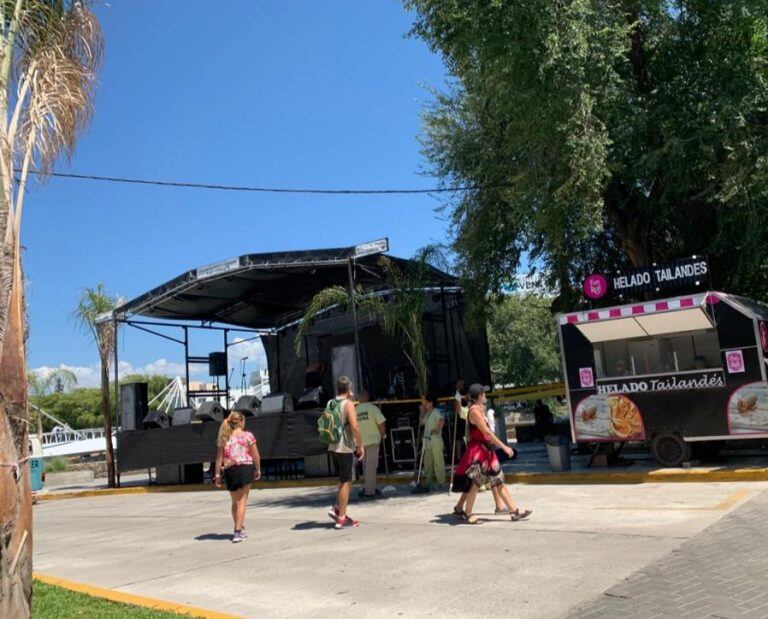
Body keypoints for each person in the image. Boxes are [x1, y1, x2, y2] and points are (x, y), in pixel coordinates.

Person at [452, 384, 531, 524]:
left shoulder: (480, 410)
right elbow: (487, 433)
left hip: (487, 451)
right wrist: (505, 447)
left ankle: (514, 511)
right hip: (479, 453)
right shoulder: (475, 411)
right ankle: (468, 513)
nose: (486, 395)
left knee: (499, 480)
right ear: (479, 395)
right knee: (475, 484)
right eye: (484, 393)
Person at [214, 411, 261, 543]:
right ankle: (237, 531)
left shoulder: (224, 437)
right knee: (242, 502)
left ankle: (240, 527)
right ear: (240, 422)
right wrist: (257, 469)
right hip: (245, 468)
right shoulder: (248, 436)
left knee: (235, 502)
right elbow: (255, 454)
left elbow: (219, 458)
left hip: (230, 471)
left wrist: (217, 474)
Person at [327, 376, 364, 529]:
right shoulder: (348, 404)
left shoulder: (331, 403)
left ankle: (337, 508)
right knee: (346, 482)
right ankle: (341, 517)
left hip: (333, 446)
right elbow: (355, 427)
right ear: (348, 389)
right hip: (344, 446)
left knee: (343, 481)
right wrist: (360, 446)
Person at [355, 390, 386, 499]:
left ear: (359, 398)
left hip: (361, 443)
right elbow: (381, 423)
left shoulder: (355, 410)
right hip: (372, 441)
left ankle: (368, 488)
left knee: (366, 467)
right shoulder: (373, 408)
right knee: (371, 467)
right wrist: (382, 435)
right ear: (367, 397)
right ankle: (370, 492)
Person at [420, 393, 446, 487]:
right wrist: (422, 411)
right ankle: (428, 480)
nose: (425, 404)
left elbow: (441, 420)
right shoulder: (428, 413)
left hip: (435, 440)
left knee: (438, 462)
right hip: (427, 441)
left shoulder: (436, 412)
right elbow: (421, 423)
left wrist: (437, 429)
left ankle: (441, 482)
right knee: (427, 462)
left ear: (431, 403)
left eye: (426, 403)